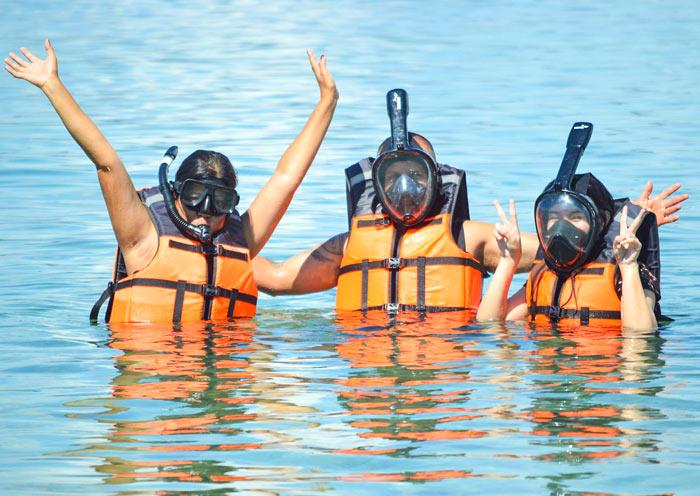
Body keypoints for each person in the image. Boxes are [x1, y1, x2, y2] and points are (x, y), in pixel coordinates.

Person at [252, 92, 686, 316]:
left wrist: (630, 220)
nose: (406, 187)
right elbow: (271, 279)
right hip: (370, 375)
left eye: (418, 175)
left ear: (438, 180)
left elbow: (565, 244)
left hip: (452, 370)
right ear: (378, 183)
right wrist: (201, 251)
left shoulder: (469, 238)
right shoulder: (349, 246)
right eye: (394, 177)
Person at [5, 39, 338, 323]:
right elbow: (106, 163)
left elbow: (286, 178)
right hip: (155, 385)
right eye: (196, 196)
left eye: (220, 202)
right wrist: (52, 85)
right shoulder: (142, 237)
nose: (206, 212)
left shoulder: (240, 238)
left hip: (223, 379)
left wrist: (327, 101)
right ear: (175, 193)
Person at [477, 122, 660, 329]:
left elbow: (640, 337)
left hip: (603, 360)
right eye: (554, 217)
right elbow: (490, 324)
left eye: (575, 218)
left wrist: (628, 267)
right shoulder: (545, 271)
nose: (562, 228)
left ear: (599, 222)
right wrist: (508, 260)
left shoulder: (626, 269)